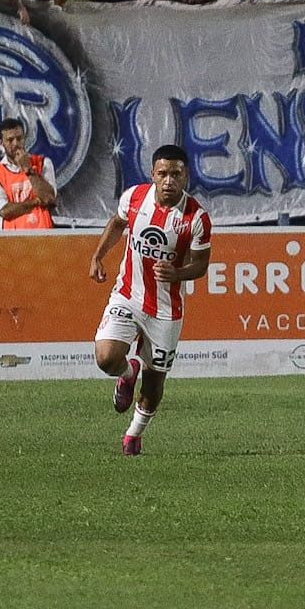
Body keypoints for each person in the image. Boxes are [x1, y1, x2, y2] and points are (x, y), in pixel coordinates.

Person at [89, 145, 213, 456]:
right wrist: (98, 255)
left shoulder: (196, 218)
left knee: (155, 381)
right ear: (153, 176)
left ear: (186, 176)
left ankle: (133, 436)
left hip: (166, 310)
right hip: (128, 294)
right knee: (105, 358)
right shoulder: (133, 198)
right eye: (163, 174)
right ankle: (127, 373)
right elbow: (117, 224)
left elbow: (201, 264)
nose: (169, 180)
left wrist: (178, 273)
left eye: (176, 174)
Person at [0, 118, 57, 230]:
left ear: (24, 139)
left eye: (19, 138)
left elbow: (49, 198)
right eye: (10, 140)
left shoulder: (43, 163)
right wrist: (36, 202)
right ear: (2, 143)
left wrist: (28, 170)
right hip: (11, 238)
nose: (16, 144)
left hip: (42, 235)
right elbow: (5, 211)